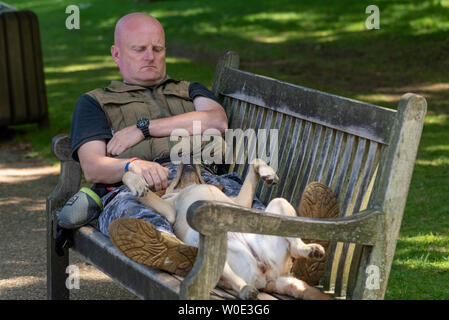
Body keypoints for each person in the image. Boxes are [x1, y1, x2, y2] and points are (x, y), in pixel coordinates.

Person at [61, 12, 338, 281]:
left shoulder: (189, 90)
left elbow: (216, 120)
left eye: (157, 48)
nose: (150, 56)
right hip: (138, 188)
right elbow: (93, 166)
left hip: (208, 181)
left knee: (249, 214)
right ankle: (175, 252)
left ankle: (292, 251)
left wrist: (144, 129)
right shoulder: (95, 102)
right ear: (116, 53)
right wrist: (131, 165)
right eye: (139, 49)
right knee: (141, 220)